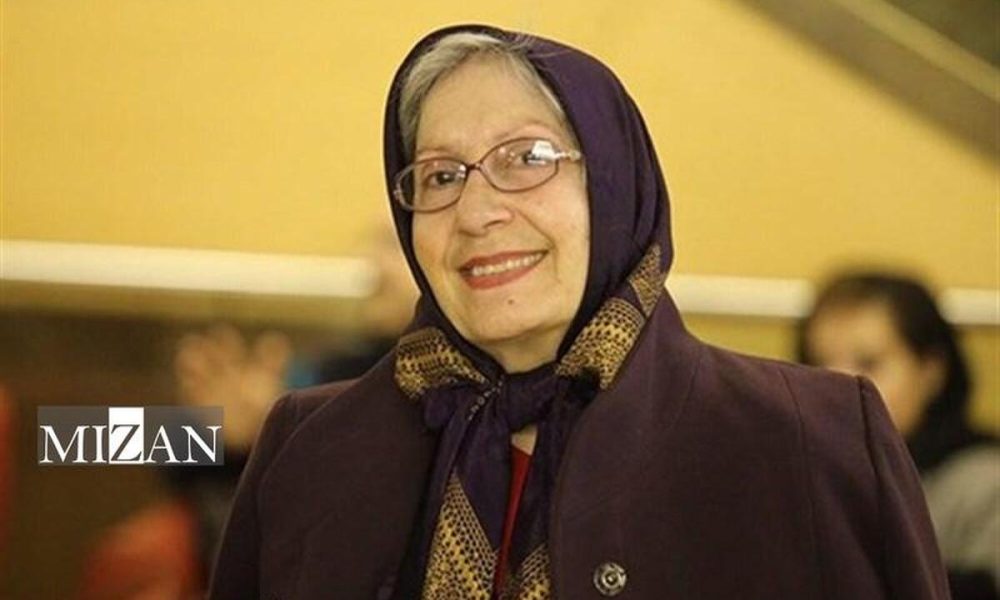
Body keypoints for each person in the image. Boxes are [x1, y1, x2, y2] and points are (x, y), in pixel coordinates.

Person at [209, 25, 949, 599]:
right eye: (440, 176)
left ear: (616, 185)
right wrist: (203, 439)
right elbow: (157, 450)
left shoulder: (812, 439)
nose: (476, 212)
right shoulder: (314, 440)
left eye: (526, 159)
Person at [799, 272, 999, 599]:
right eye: (818, 364)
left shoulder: (982, 483)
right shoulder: (803, 476)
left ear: (932, 370)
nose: (836, 385)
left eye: (869, 363)